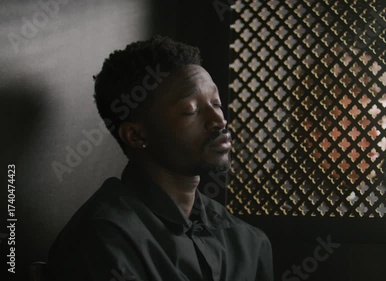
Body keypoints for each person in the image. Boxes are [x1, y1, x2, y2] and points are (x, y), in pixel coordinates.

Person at [48, 35, 274, 281]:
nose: (219, 120)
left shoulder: (247, 242)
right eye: (192, 110)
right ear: (136, 135)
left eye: (216, 104)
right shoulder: (101, 239)